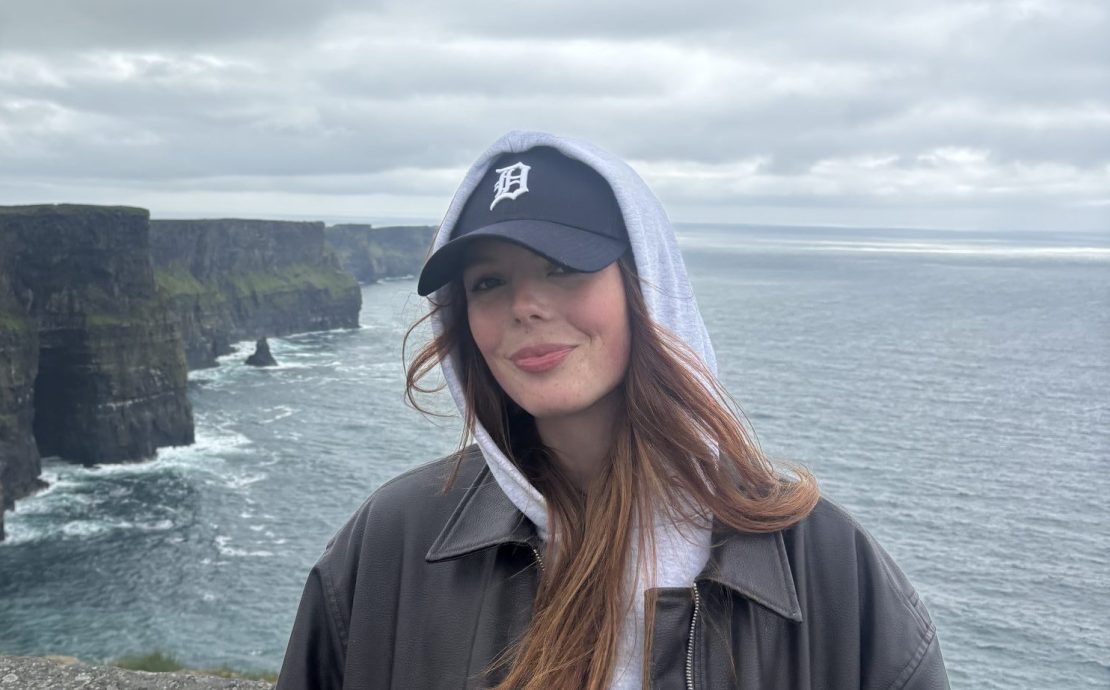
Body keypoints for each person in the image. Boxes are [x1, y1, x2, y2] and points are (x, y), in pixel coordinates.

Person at [276, 131, 949, 689]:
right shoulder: (392, 544)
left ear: (647, 286)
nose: (525, 306)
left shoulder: (827, 570)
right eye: (488, 282)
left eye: (563, 267)